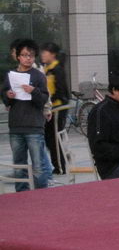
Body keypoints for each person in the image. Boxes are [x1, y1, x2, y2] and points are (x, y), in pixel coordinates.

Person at [1, 39, 50, 191]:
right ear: (18, 57)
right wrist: (7, 95)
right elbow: (5, 99)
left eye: (31, 55)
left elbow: (43, 99)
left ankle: (41, 194)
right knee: (19, 165)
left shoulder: (38, 76)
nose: (28, 58)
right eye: (24, 55)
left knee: (38, 165)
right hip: (16, 126)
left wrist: (33, 91)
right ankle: (21, 194)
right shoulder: (10, 75)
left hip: (34, 126)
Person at [40, 42, 70, 174]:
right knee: (49, 138)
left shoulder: (57, 69)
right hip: (50, 108)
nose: (42, 55)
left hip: (57, 108)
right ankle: (57, 164)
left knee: (54, 138)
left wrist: (48, 101)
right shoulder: (46, 68)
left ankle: (60, 166)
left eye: (45, 52)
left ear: (52, 55)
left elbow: (60, 91)